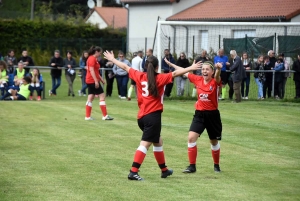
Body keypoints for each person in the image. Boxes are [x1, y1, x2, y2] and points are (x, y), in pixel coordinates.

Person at [103, 50, 201, 181]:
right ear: (157, 67)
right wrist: (191, 67)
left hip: (142, 117)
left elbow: (126, 67)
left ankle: (164, 170)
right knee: (145, 144)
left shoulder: (139, 75)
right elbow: (176, 73)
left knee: (158, 141)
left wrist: (113, 59)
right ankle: (133, 171)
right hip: (152, 117)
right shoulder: (160, 78)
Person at [165, 58, 223, 173]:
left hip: (212, 116)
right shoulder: (198, 80)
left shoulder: (215, 82)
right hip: (199, 115)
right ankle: (192, 166)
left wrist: (218, 69)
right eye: (203, 69)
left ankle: (216, 165)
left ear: (211, 72)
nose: (204, 71)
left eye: (207, 69)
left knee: (214, 142)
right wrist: (171, 64)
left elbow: (217, 77)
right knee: (191, 138)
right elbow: (183, 71)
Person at [85, 46, 113, 121]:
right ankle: (105, 115)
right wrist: (96, 81)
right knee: (102, 96)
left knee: (90, 97)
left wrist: (101, 79)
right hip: (92, 80)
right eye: (100, 52)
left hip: (90, 80)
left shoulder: (93, 59)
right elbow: (91, 70)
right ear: (96, 52)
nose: (100, 54)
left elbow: (96, 71)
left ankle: (87, 116)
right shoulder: (92, 59)